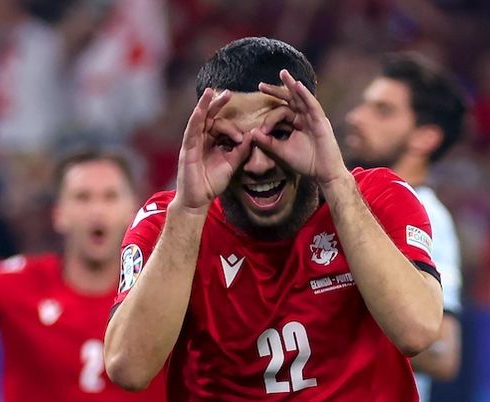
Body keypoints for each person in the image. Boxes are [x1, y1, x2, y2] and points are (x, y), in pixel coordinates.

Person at [105, 37, 443, 401]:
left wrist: (335, 181)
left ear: (315, 126)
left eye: (279, 134)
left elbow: (417, 332)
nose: (258, 164)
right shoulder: (166, 222)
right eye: (229, 143)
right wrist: (188, 210)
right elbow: (129, 367)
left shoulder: (379, 196)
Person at [0, 149, 166, 402]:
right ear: (59, 214)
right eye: (82, 197)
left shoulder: (164, 294)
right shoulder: (16, 281)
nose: (96, 211)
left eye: (110, 197)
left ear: (132, 211)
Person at [345, 52, 466, 402]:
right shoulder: (342, 201)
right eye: (363, 105)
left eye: (383, 111)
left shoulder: (429, 215)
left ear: (425, 137)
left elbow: (444, 352)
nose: (356, 118)